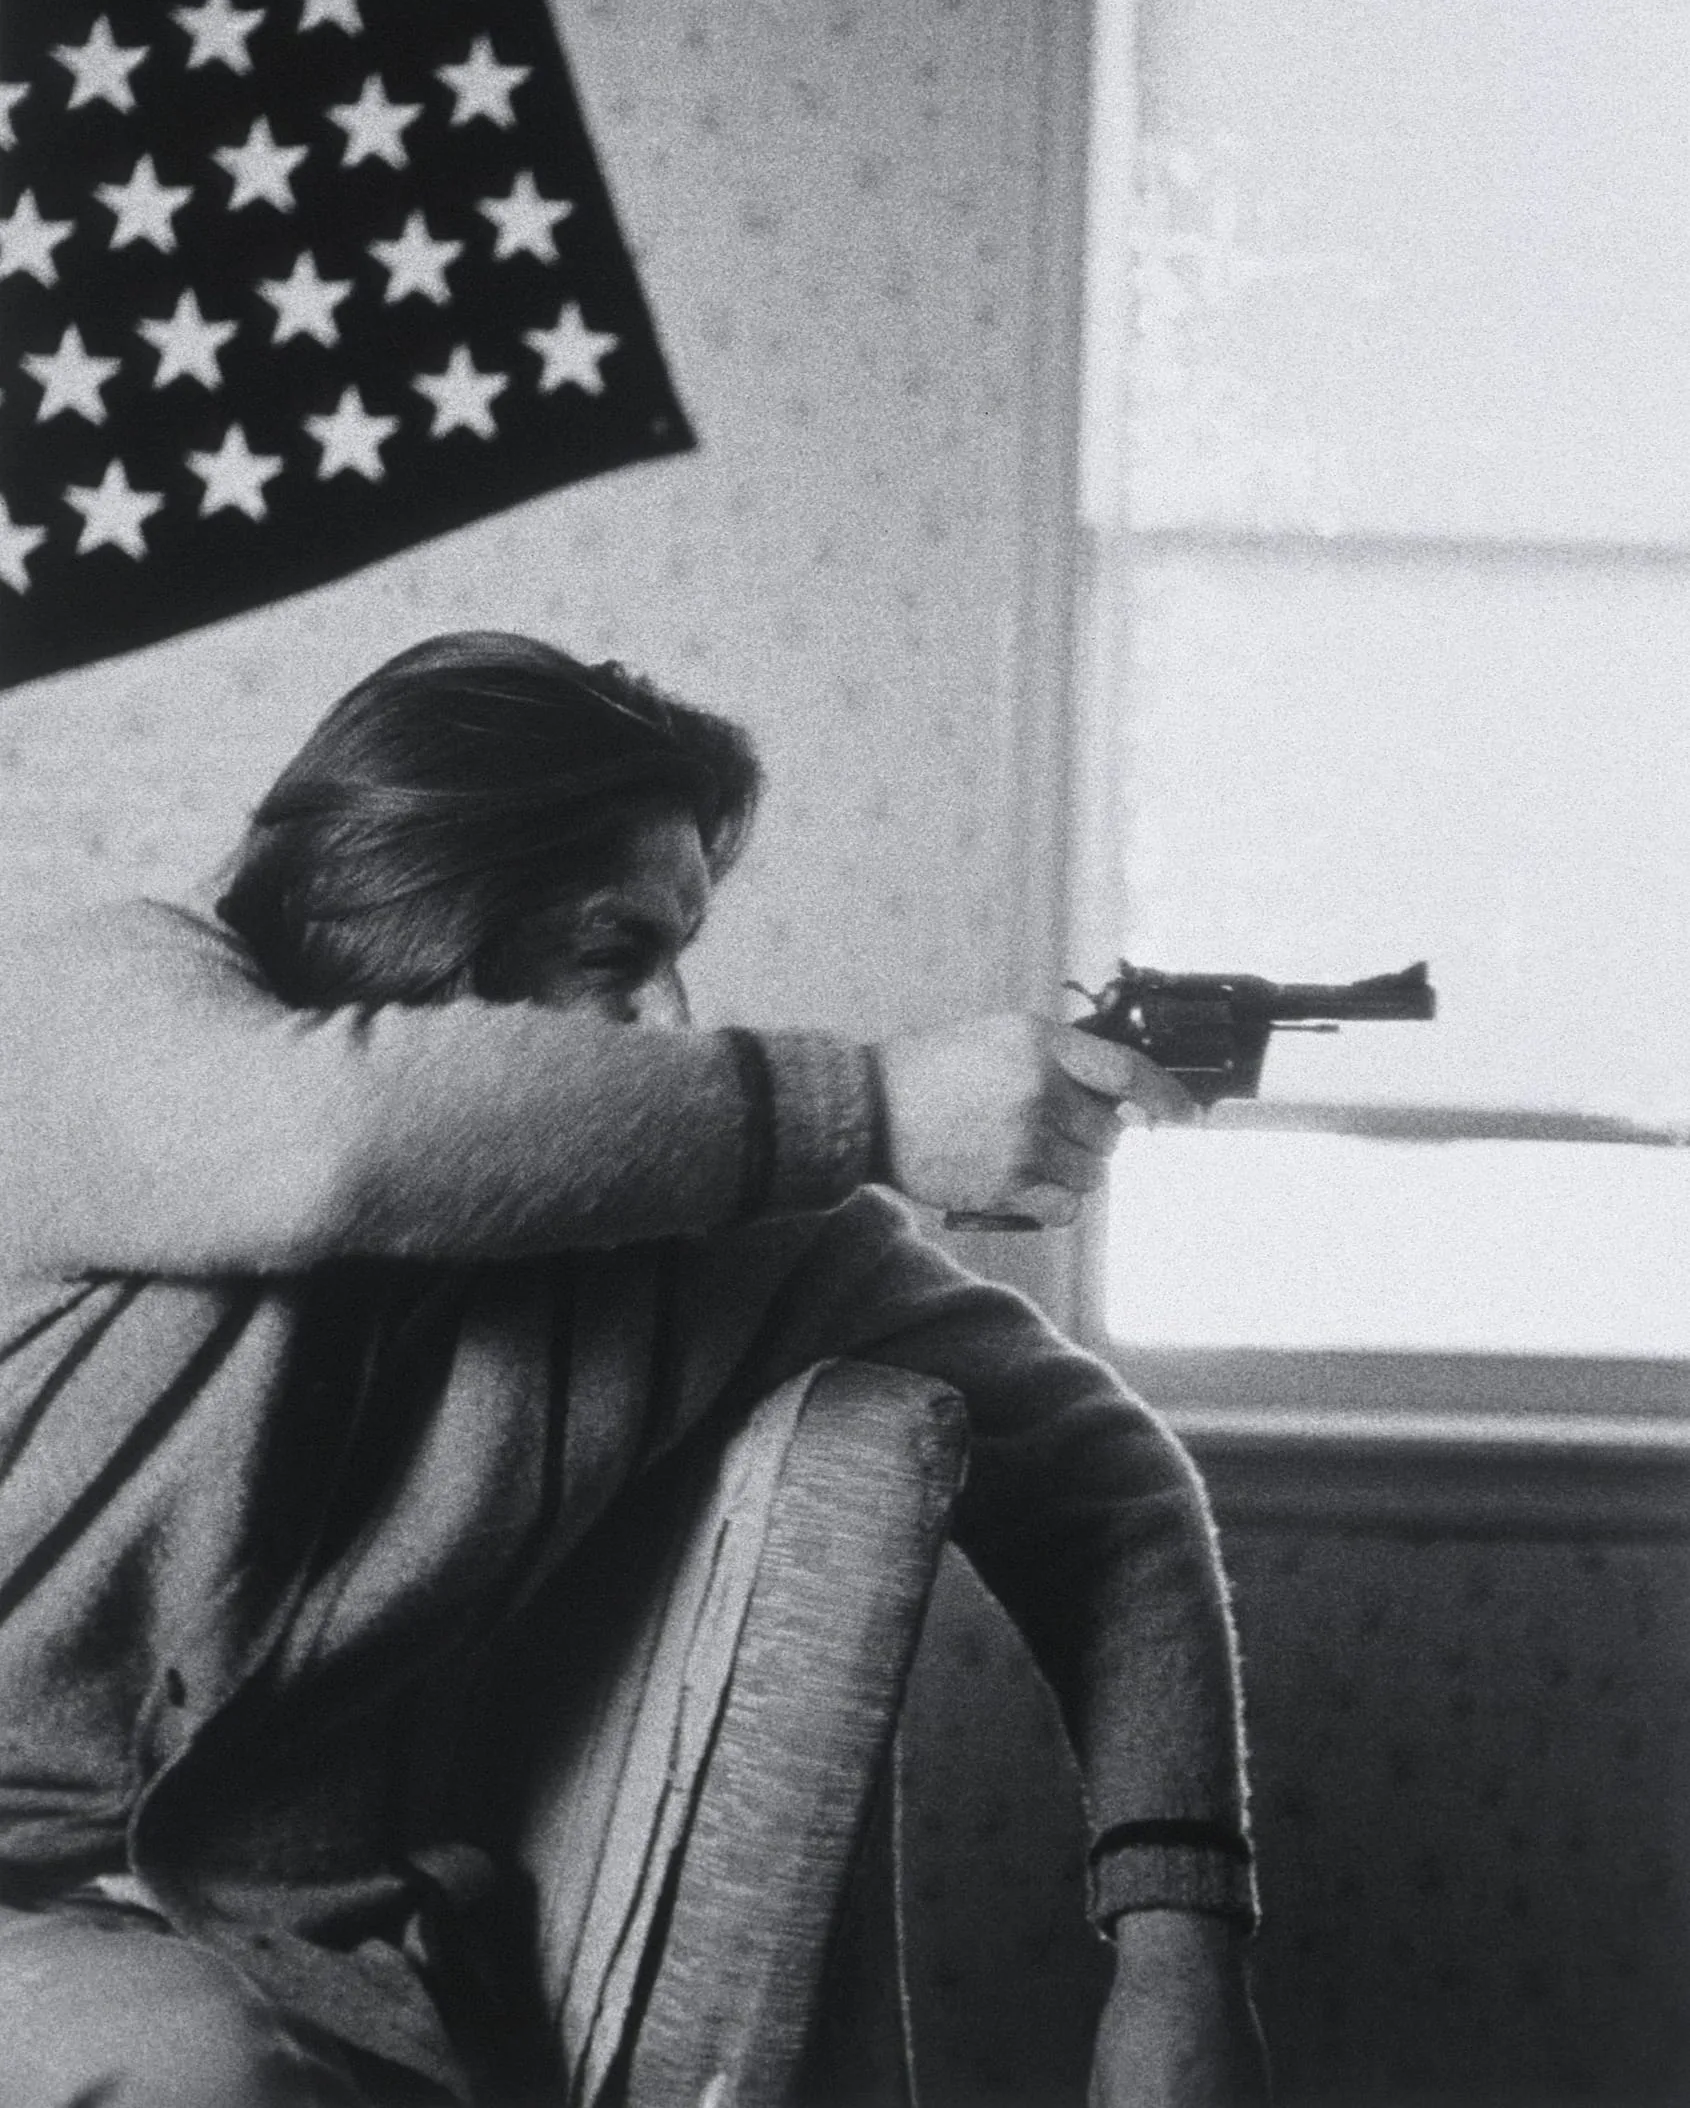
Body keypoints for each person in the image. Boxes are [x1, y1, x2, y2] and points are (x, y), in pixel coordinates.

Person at [0, 631, 1267, 2107]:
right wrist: (874, 1105)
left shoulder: (711, 1247)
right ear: (423, 905)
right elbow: (317, 1147)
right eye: (615, 956)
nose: (674, 1023)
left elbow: (1102, 1482)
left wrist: (1176, 1955)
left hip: (262, 1980)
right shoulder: (104, 1004)